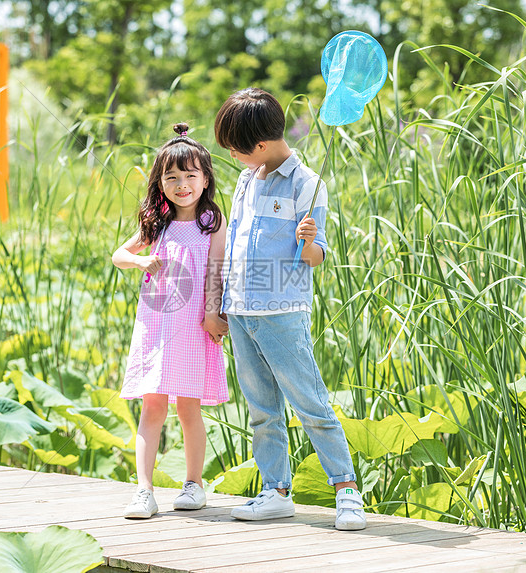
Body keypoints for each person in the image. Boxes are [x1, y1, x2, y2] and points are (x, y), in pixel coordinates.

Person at [214, 88, 367, 531]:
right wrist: (223, 305)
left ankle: (347, 490)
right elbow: (238, 245)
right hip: (242, 311)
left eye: (238, 150)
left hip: (281, 311)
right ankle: (275, 491)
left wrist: (306, 240)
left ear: (260, 144)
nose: (236, 158)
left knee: (311, 403)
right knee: (261, 408)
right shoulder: (248, 179)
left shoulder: (307, 183)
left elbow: (315, 257)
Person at [113, 123, 229, 519]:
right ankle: (143, 490)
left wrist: (213, 313)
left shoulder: (211, 221)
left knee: (189, 409)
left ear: (206, 178)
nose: (182, 184)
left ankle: (194, 484)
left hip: (194, 327)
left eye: (190, 175)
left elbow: (216, 270)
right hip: (156, 327)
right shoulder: (156, 222)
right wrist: (141, 259)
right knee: (152, 408)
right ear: (160, 182)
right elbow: (118, 255)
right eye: (172, 177)